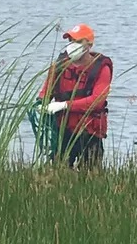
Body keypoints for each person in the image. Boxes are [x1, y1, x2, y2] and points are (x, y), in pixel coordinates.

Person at [37, 23, 113, 169]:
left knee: (91, 175)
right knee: (59, 171)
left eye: (78, 41)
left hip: (90, 132)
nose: (73, 45)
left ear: (89, 45)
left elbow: (96, 101)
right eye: (71, 41)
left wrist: (65, 105)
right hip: (64, 129)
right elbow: (46, 91)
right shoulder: (59, 66)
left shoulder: (101, 68)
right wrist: (40, 103)